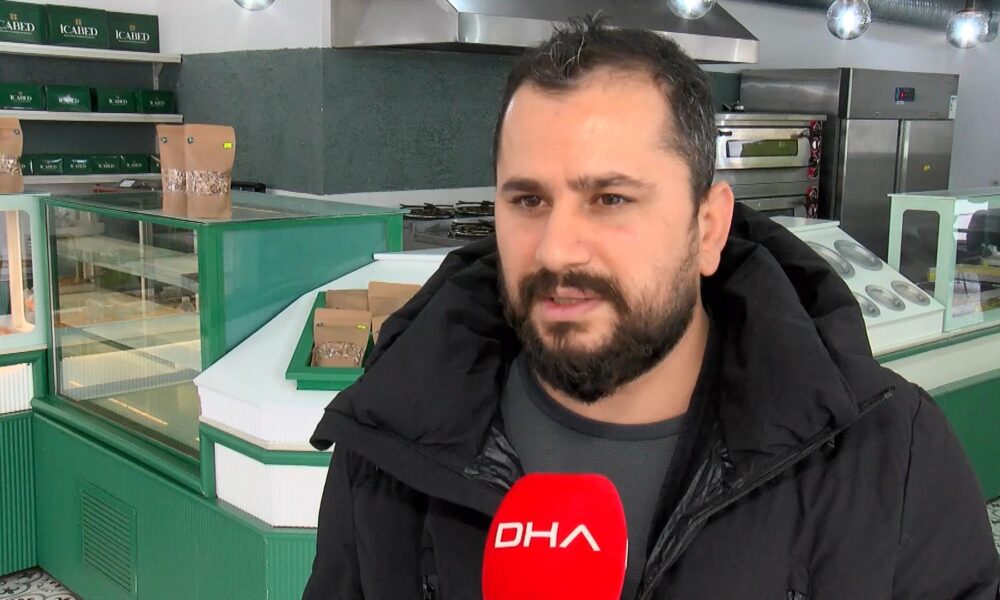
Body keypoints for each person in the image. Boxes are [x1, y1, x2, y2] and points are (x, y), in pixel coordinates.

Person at [304, 16, 1000, 599]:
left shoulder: (890, 456)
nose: (557, 249)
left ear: (708, 228)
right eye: (529, 200)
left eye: (611, 199)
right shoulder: (387, 449)